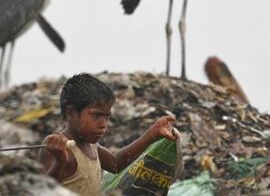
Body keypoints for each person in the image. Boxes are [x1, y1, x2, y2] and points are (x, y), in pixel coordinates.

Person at [38, 73, 176, 196]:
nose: (104, 124)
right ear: (70, 112)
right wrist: (59, 162)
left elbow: (116, 164)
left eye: (106, 116)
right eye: (96, 115)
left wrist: (152, 134)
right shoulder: (56, 147)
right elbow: (41, 190)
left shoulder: (92, 146)